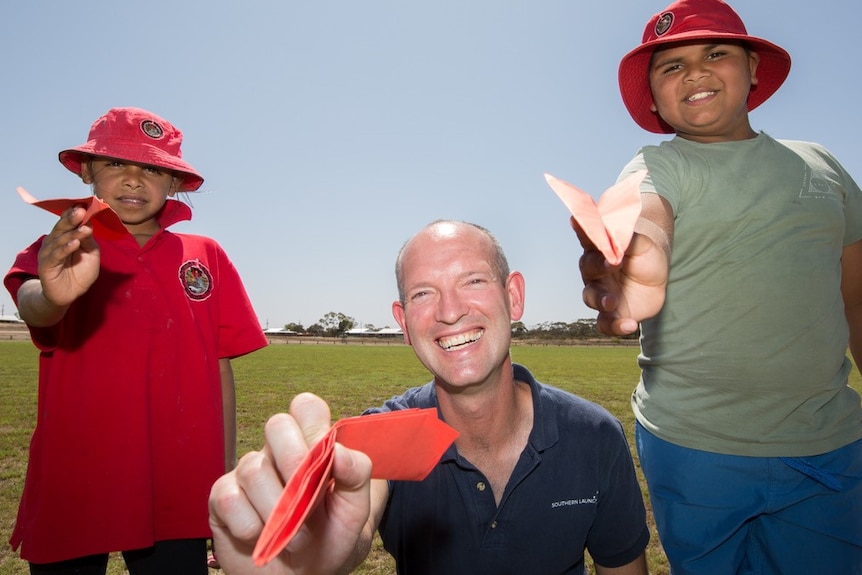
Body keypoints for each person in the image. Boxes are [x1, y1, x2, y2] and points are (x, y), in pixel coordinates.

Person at [576, 0, 862, 572]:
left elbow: (855, 299)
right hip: (693, 447)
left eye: (716, 52)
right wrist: (635, 258)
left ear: (754, 67)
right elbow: (644, 212)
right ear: (654, 98)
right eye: (671, 66)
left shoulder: (821, 165)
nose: (696, 71)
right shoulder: (658, 165)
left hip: (826, 440)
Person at [209, 220, 650, 574]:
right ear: (403, 322)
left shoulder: (594, 436)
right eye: (424, 293)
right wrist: (312, 553)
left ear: (513, 297)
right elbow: (352, 523)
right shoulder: (378, 436)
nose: (449, 311)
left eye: (473, 281)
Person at [4, 107, 268, 575]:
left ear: (175, 183)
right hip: (77, 474)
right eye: (115, 164)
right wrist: (50, 293)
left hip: (176, 481)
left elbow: (219, 366)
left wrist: (224, 473)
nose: (133, 180)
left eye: (152, 168)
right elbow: (32, 304)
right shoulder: (65, 245)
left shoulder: (205, 255)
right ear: (86, 171)